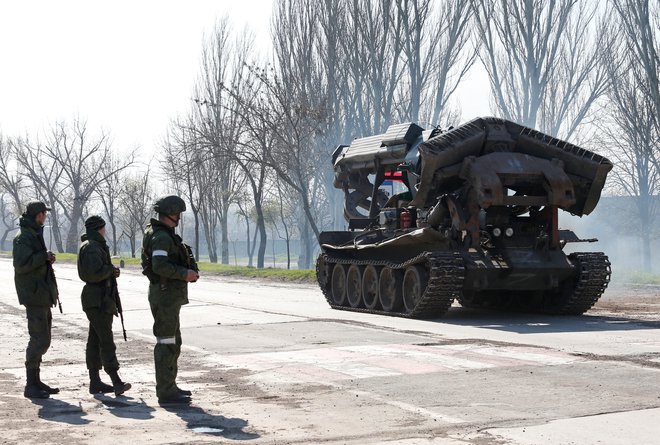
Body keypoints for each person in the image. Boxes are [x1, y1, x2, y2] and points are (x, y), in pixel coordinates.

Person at [141, 195, 199, 404]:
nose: (180, 218)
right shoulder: (162, 237)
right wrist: (185, 274)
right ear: (172, 214)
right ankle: (165, 391)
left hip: (167, 296)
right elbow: (159, 266)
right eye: (178, 214)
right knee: (166, 342)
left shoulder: (159, 233)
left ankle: (169, 386)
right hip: (165, 296)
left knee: (173, 341)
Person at [77, 215, 131, 396]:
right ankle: (116, 381)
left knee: (94, 341)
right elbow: (93, 275)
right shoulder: (92, 247)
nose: (105, 231)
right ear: (99, 228)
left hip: (99, 299)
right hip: (97, 300)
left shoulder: (93, 245)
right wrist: (110, 270)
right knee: (106, 342)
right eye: (103, 228)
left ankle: (95, 382)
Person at [13, 201, 59, 399]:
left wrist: (47, 258)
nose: (45, 217)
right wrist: (43, 257)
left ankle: (36, 381)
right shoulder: (24, 237)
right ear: (38, 215)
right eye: (43, 214)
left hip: (41, 294)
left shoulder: (33, 233)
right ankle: (30, 384)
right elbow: (21, 265)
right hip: (34, 295)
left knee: (44, 339)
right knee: (38, 339)